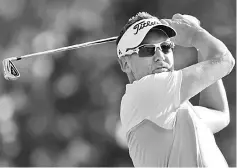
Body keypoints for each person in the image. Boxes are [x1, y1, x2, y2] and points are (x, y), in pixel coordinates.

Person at [116, 12, 235, 167]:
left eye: (165, 47)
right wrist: (194, 34)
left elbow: (219, 114)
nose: (160, 56)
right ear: (125, 64)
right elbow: (224, 60)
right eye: (147, 50)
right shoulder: (147, 91)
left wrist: (200, 44)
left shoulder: (169, 110)